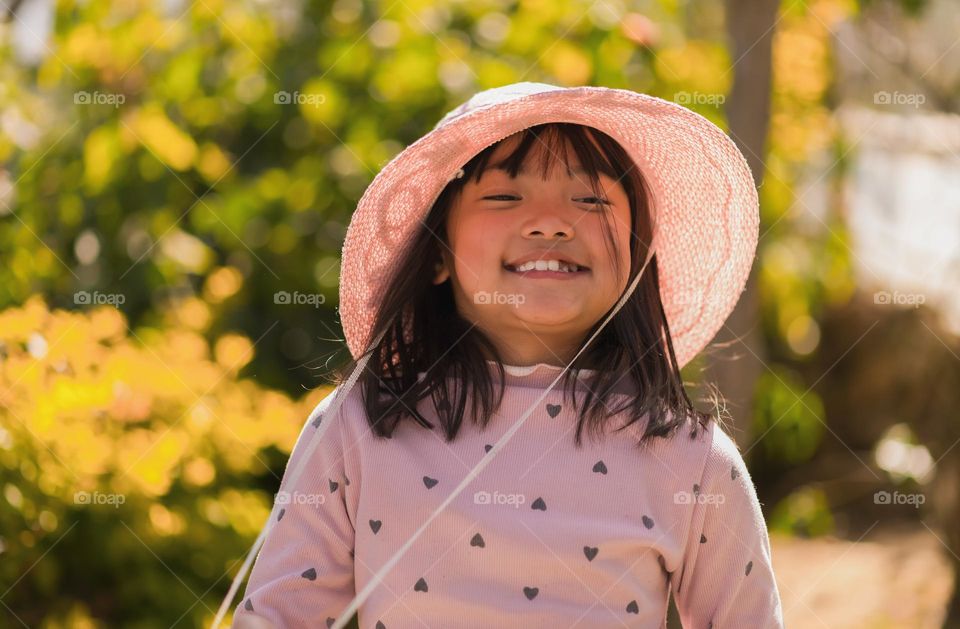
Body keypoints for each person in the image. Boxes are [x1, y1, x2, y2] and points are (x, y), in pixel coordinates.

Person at [220, 82, 785, 628]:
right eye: (503, 195)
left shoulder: (690, 460)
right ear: (436, 254)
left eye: (590, 198)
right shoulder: (359, 427)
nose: (548, 221)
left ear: (637, 261)